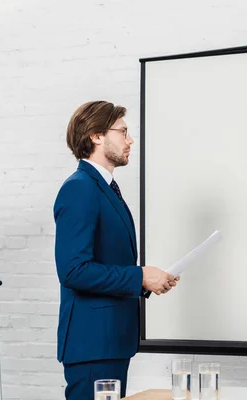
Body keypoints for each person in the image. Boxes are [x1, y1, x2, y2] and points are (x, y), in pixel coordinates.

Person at [53, 100, 178, 399]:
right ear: (96, 135)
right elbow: (73, 270)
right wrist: (140, 277)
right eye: (123, 132)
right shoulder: (80, 187)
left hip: (109, 342)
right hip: (92, 345)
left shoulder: (104, 187)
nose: (130, 140)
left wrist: (148, 279)